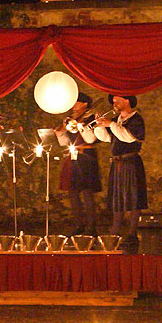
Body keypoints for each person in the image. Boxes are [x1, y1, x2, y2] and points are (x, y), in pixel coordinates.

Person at [93, 94, 147, 251]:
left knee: (133, 197)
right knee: (117, 197)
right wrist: (100, 126)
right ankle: (115, 231)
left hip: (131, 162)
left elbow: (129, 137)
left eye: (117, 100)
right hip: (117, 163)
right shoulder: (117, 120)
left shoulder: (137, 119)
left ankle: (132, 233)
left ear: (127, 101)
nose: (114, 103)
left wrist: (111, 124)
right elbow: (107, 139)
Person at [54, 92, 102, 236]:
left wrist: (81, 126)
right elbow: (64, 142)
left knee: (87, 192)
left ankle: (91, 226)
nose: (73, 106)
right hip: (72, 156)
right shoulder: (70, 120)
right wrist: (60, 132)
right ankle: (78, 224)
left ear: (84, 104)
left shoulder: (91, 118)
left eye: (76, 102)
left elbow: (91, 139)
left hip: (86, 156)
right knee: (73, 192)